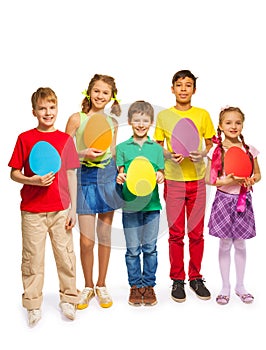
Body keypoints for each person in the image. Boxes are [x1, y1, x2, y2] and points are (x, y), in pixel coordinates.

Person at [8, 87, 80, 327]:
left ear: (57, 109)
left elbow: (71, 174)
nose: (47, 113)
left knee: (66, 257)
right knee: (32, 260)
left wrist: (73, 209)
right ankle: (33, 304)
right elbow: (14, 173)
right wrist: (32, 180)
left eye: (51, 108)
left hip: (61, 209)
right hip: (32, 212)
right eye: (42, 108)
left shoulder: (65, 139)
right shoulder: (25, 138)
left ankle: (69, 299)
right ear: (34, 111)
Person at [153, 69, 216, 302]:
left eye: (188, 85)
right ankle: (177, 280)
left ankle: (196, 277)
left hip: (198, 181)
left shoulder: (202, 114)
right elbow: (158, 144)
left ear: (194, 90)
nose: (183, 89)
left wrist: (203, 153)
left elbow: (210, 142)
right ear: (172, 89)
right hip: (174, 181)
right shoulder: (164, 117)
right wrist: (168, 154)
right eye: (179, 85)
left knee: (196, 233)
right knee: (176, 233)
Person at [65, 74, 122, 309]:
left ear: (112, 97)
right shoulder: (76, 119)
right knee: (87, 241)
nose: (100, 96)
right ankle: (87, 285)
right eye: (97, 91)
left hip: (108, 178)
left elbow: (113, 154)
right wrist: (82, 154)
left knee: (105, 237)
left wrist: (120, 177)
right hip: (85, 178)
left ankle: (101, 284)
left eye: (105, 93)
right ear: (89, 92)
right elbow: (62, 155)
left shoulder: (113, 122)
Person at [205, 106, 261, 305]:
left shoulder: (249, 149)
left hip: (243, 201)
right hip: (223, 201)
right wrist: (227, 181)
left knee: (240, 243)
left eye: (237, 122)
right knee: (225, 243)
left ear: (242, 125)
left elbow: (258, 174)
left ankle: (240, 286)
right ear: (220, 126)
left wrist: (251, 180)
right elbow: (209, 179)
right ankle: (225, 286)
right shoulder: (216, 150)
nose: (233, 126)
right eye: (228, 122)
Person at [116, 100, 164, 306]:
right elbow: (120, 174)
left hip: (152, 206)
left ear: (151, 122)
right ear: (130, 122)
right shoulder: (122, 148)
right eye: (137, 120)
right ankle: (135, 286)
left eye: (145, 120)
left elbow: (160, 172)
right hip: (131, 207)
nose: (141, 124)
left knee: (150, 248)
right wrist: (119, 178)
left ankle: (149, 286)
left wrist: (161, 176)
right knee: (133, 249)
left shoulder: (156, 149)